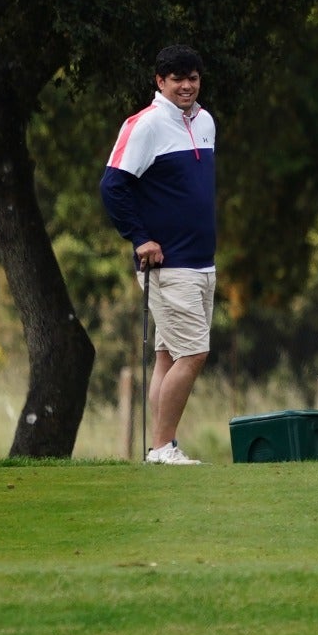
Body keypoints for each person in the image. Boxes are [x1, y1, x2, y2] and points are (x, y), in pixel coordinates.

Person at [101, 45, 218, 466]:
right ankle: (163, 447)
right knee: (194, 353)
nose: (186, 85)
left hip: (203, 262)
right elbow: (112, 186)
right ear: (160, 81)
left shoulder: (204, 121)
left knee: (168, 356)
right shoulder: (145, 125)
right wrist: (140, 238)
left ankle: (160, 448)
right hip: (169, 265)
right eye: (177, 78)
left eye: (193, 77)